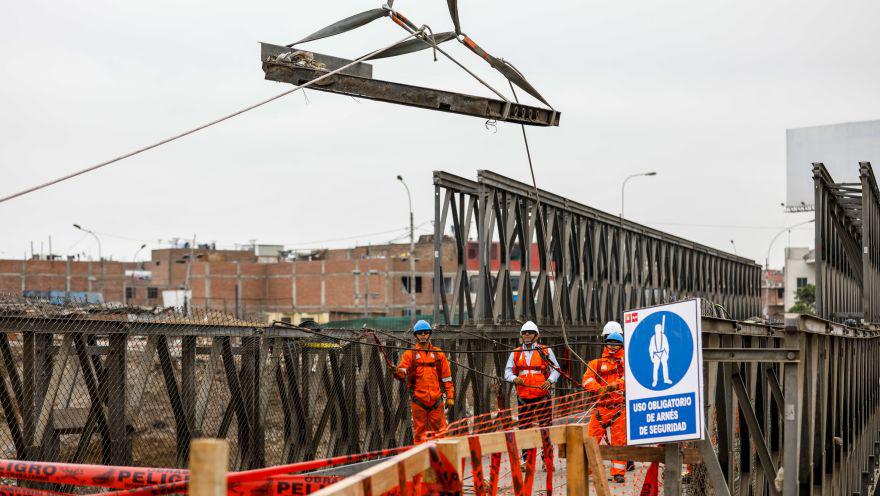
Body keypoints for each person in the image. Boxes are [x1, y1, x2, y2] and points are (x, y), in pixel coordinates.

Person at [389, 320, 455, 443]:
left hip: (436, 401)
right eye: (420, 333)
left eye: (425, 333)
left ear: (429, 334)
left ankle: (442, 459)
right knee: (420, 435)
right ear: (416, 335)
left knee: (441, 434)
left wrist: (450, 396)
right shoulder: (410, 355)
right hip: (419, 402)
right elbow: (402, 372)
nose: (423, 335)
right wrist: (396, 371)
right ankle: (421, 460)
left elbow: (447, 377)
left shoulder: (438, 354)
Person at [582, 331, 628, 483]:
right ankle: (588, 469)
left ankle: (618, 473)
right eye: (610, 343)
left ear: (621, 345)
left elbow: (629, 378)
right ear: (605, 344)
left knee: (619, 441)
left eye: (616, 343)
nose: (613, 346)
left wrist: (617, 385)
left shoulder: (626, 363)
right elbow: (587, 380)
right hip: (601, 408)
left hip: (618, 408)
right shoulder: (595, 363)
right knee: (591, 439)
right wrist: (598, 388)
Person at [504, 321, 561, 428]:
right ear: (521, 335)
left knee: (546, 429)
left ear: (536, 335)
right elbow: (507, 372)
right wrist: (514, 378)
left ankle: (547, 445)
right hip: (523, 398)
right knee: (525, 431)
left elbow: (556, 369)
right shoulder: (516, 352)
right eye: (524, 332)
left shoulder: (545, 350)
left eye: (530, 332)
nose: (526, 335)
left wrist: (550, 380)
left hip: (542, 396)